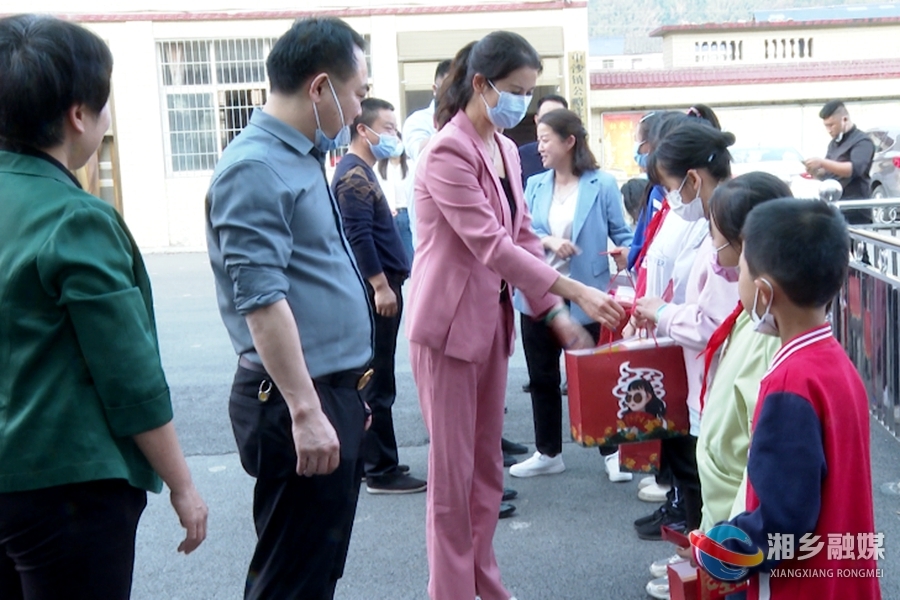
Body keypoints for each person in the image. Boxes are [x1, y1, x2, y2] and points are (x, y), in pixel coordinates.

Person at [407, 32, 625, 600]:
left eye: (530, 93)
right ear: (481, 85)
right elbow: (492, 246)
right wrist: (574, 288)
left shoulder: (504, 147)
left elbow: (524, 237)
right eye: (515, 91)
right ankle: (452, 590)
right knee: (453, 482)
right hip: (449, 331)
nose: (523, 105)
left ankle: (484, 582)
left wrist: (554, 310)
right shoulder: (447, 151)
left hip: (489, 324)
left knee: (486, 473)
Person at [0, 14, 207, 599]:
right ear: (78, 116)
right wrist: (182, 484)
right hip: (67, 488)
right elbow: (129, 374)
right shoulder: (75, 217)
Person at [205, 17, 373, 600]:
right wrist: (307, 410)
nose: (358, 111)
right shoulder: (256, 167)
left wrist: (348, 397)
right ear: (321, 87)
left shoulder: (301, 157)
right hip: (292, 397)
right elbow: (262, 301)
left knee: (316, 567)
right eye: (357, 93)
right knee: (290, 578)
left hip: (330, 390)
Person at [692, 198, 882, 600]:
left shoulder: (789, 382)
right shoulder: (836, 363)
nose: (736, 276)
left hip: (800, 587)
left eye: (741, 268)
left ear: (763, 291)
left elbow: (783, 519)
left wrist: (717, 549)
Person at [644, 172, 787, 600]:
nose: (714, 254)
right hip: (723, 521)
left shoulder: (771, 342)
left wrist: (729, 540)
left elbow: (763, 463)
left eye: (718, 241)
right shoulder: (750, 316)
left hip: (741, 534)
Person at [510, 108, 634, 483]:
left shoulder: (602, 184)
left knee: (595, 377)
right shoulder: (534, 184)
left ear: (569, 141)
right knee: (542, 377)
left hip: (587, 295)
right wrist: (549, 241)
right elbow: (522, 234)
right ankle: (548, 451)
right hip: (539, 293)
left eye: (546, 139)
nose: (539, 146)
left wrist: (629, 255)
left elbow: (623, 235)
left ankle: (611, 450)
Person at [631, 119, 738, 541]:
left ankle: (708, 565)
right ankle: (700, 562)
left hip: (718, 379)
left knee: (713, 486)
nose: (672, 198)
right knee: (704, 481)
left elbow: (714, 322)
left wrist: (662, 313)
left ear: (693, 178)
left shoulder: (726, 230)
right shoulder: (717, 218)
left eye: (672, 187)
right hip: (705, 376)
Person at [332, 98, 426, 495]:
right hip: (378, 289)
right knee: (377, 380)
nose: (394, 137)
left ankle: (377, 460)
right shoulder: (353, 175)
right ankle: (380, 468)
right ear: (363, 130)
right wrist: (380, 285)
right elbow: (358, 236)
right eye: (387, 128)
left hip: (384, 284)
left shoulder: (363, 172)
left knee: (378, 375)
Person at [804, 100, 876, 224]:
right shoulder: (833, 144)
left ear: (845, 120)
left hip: (856, 209)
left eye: (831, 125)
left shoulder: (862, 142)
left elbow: (854, 169)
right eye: (826, 125)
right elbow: (828, 174)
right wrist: (816, 171)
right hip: (835, 205)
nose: (829, 130)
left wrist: (822, 162)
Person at [375, 133, 415, 264]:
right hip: (388, 215)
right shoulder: (379, 167)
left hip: (406, 214)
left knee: (409, 255)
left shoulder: (410, 166)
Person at [403, 59, 452, 163]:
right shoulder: (418, 120)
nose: (454, 95)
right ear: (435, 89)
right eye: (449, 89)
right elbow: (419, 153)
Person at [517, 94, 568, 187]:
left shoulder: (575, 154)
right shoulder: (521, 155)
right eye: (546, 118)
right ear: (536, 120)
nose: (551, 125)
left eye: (557, 119)